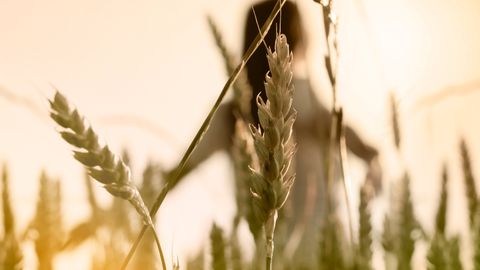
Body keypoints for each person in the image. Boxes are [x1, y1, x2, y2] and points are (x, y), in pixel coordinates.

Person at [166, 0, 381, 266]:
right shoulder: (310, 103)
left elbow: (174, 175)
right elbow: (372, 154)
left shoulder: (232, 116)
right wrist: (371, 184)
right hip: (332, 255)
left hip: (271, 257)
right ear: (300, 41)